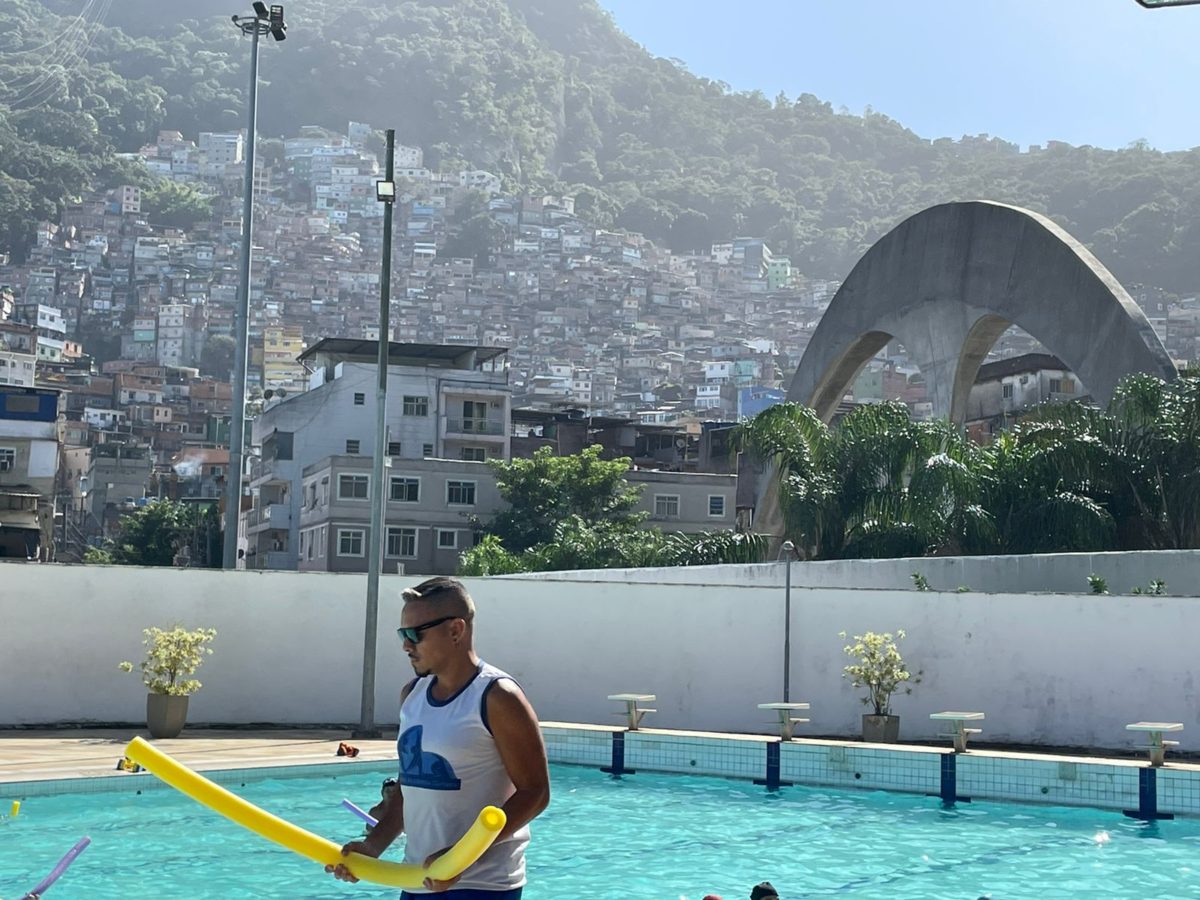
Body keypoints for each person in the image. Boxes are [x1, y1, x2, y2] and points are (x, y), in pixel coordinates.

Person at [327, 576, 550, 898]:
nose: (406, 645)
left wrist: (460, 857)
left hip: (481, 886)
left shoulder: (497, 697)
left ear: (456, 630)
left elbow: (535, 793)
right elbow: (410, 786)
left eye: (414, 634)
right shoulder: (413, 695)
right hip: (418, 880)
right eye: (402, 634)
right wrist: (373, 845)